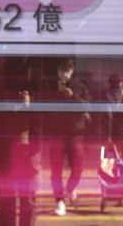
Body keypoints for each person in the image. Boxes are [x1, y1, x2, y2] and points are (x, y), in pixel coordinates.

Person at [0, 56, 42, 226]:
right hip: (5, 145)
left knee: (25, 198)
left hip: (26, 147)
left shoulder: (34, 78)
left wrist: (30, 104)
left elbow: (47, 115)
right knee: (8, 198)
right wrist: (7, 104)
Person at [42, 59, 90, 216]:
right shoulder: (51, 87)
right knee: (56, 170)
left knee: (78, 168)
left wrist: (73, 96)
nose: (63, 75)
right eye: (61, 72)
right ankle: (60, 201)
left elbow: (87, 107)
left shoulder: (80, 87)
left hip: (75, 134)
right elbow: (46, 108)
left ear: (71, 72)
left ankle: (69, 190)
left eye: (66, 71)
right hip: (56, 133)